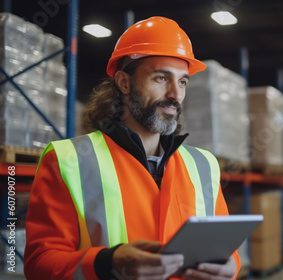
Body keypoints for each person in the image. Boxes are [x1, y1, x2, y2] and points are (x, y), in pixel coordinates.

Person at [24, 16, 241, 280]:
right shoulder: (67, 159)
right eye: (161, 78)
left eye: (182, 82)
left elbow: (223, 249)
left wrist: (232, 267)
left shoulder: (204, 165)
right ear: (124, 83)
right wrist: (108, 263)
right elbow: (40, 264)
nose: (175, 94)